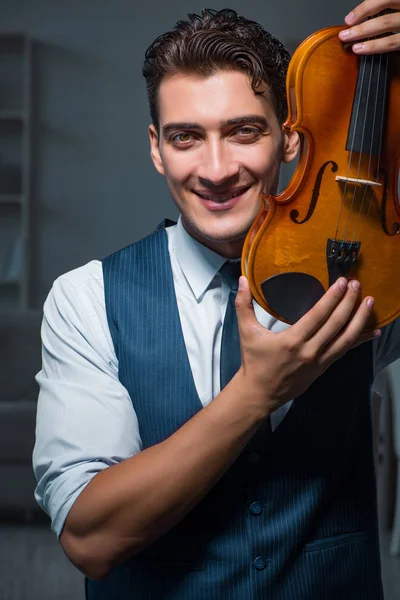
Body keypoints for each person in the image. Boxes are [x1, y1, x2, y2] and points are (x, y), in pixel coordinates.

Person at [33, 2, 400, 599]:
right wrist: (257, 392)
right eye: (186, 138)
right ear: (157, 149)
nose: (217, 168)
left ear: (289, 137)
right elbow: (91, 540)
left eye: (244, 130)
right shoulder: (85, 299)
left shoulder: (368, 273)